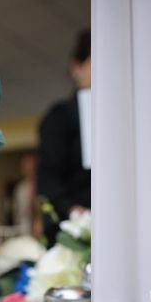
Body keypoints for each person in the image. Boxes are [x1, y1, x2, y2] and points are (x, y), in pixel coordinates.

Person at [37, 29, 91, 244]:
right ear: (76, 68)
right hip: (74, 231)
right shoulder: (59, 118)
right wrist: (74, 211)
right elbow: (49, 178)